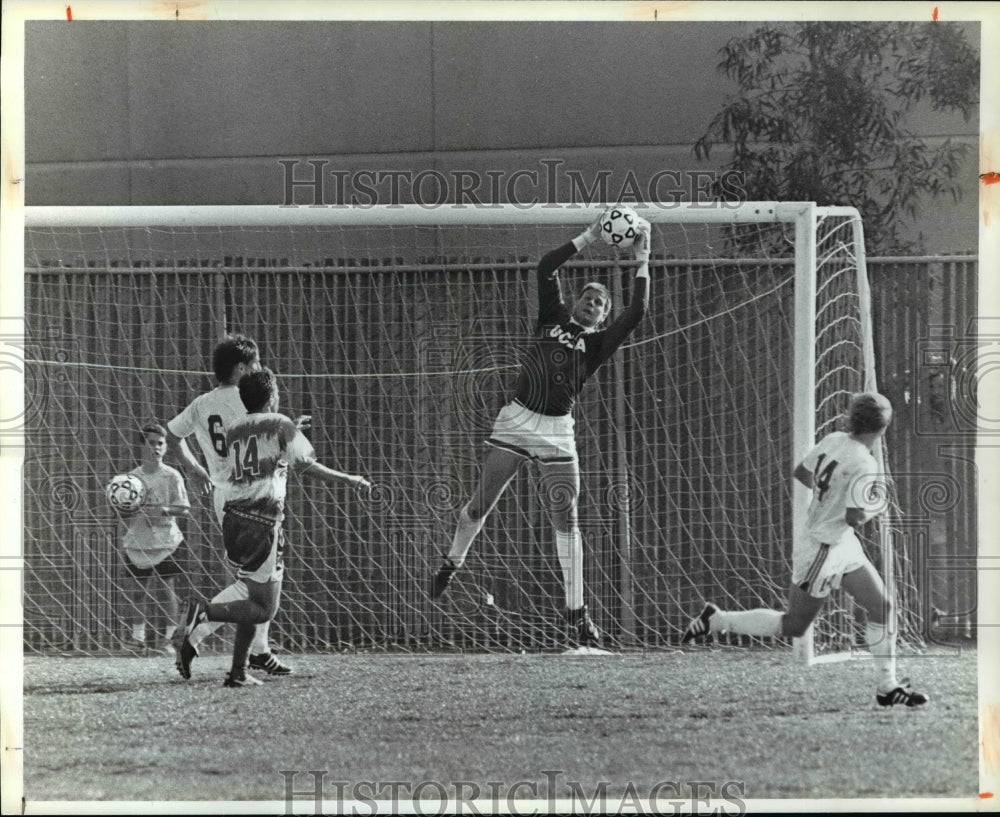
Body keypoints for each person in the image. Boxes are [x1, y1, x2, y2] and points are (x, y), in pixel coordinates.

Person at [429, 213, 652, 649]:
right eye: (587, 299)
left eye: (599, 306)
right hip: (515, 421)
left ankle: (578, 614)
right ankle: (452, 561)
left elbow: (638, 311)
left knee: (566, 521)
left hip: (556, 432)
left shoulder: (596, 345)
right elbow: (545, 268)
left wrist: (643, 258)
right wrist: (589, 236)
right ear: (574, 303)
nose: (591, 306)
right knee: (479, 505)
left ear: (602, 318)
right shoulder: (550, 316)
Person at [681, 392, 929, 708]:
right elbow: (855, 517)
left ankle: (888, 686)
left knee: (882, 607)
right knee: (795, 626)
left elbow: (802, 472)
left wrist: (832, 495)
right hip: (822, 550)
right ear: (883, 428)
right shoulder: (865, 462)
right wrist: (875, 507)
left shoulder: (836, 438)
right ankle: (717, 620)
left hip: (839, 543)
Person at [172, 368, 373, 687]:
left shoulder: (236, 428)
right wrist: (349, 479)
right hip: (262, 522)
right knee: (264, 609)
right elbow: (306, 466)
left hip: (235, 518)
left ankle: (237, 672)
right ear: (273, 397)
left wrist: (292, 428)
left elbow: (266, 443)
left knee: (251, 600)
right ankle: (202, 612)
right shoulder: (281, 425)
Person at [166, 333, 303, 677]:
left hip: (223, 496)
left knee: (264, 574)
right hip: (252, 495)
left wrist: (195, 470)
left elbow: (172, 436)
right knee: (256, 584)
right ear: (241, 368)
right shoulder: (249, 401)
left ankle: (258, 650)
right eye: (255, 363)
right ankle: (196, 632)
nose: (259, 368)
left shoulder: (200, 404)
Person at [115, 423, 191, 655]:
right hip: (139, 541)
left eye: (160, 443)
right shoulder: (130, 478)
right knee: (137, 591)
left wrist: (165, 511)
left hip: (166, 542)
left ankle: (169, 640)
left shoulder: (171, 476)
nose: (155, 447)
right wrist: (128, 508)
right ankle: (138, 639)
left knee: (166, 590)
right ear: (141, 445)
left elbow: (184, 508)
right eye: (150, 442)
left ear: (166, 448)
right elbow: (122, 510)